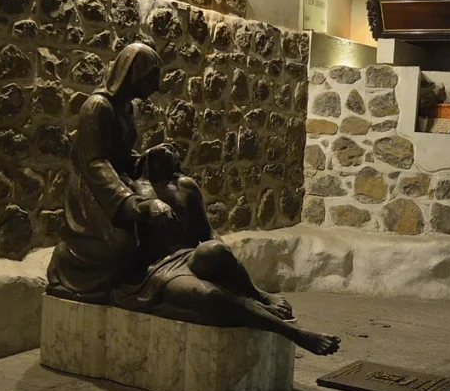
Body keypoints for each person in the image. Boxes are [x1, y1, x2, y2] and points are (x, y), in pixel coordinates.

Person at [111, 142, 341, 358]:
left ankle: (257, 294)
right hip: (158, 269)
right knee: (210, 295)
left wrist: (221, 248)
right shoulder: (133, 189)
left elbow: (207, 232)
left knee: (215, 252)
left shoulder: (186, 187)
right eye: (159, 147)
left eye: (171, 148)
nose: (166, 148)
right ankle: (296, 334)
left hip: (187, 255)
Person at [47, 42, 174, 299]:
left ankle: (136, 280)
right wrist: (129, 202)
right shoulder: (97, 107)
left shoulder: (126, 108)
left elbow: (122, 157)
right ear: (134, 74)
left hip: (115, 182)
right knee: (121, 245)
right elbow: (96, 164)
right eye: (151, 78)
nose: (155, 86)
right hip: (92, 190)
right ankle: (69, 263)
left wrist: (150, 157)